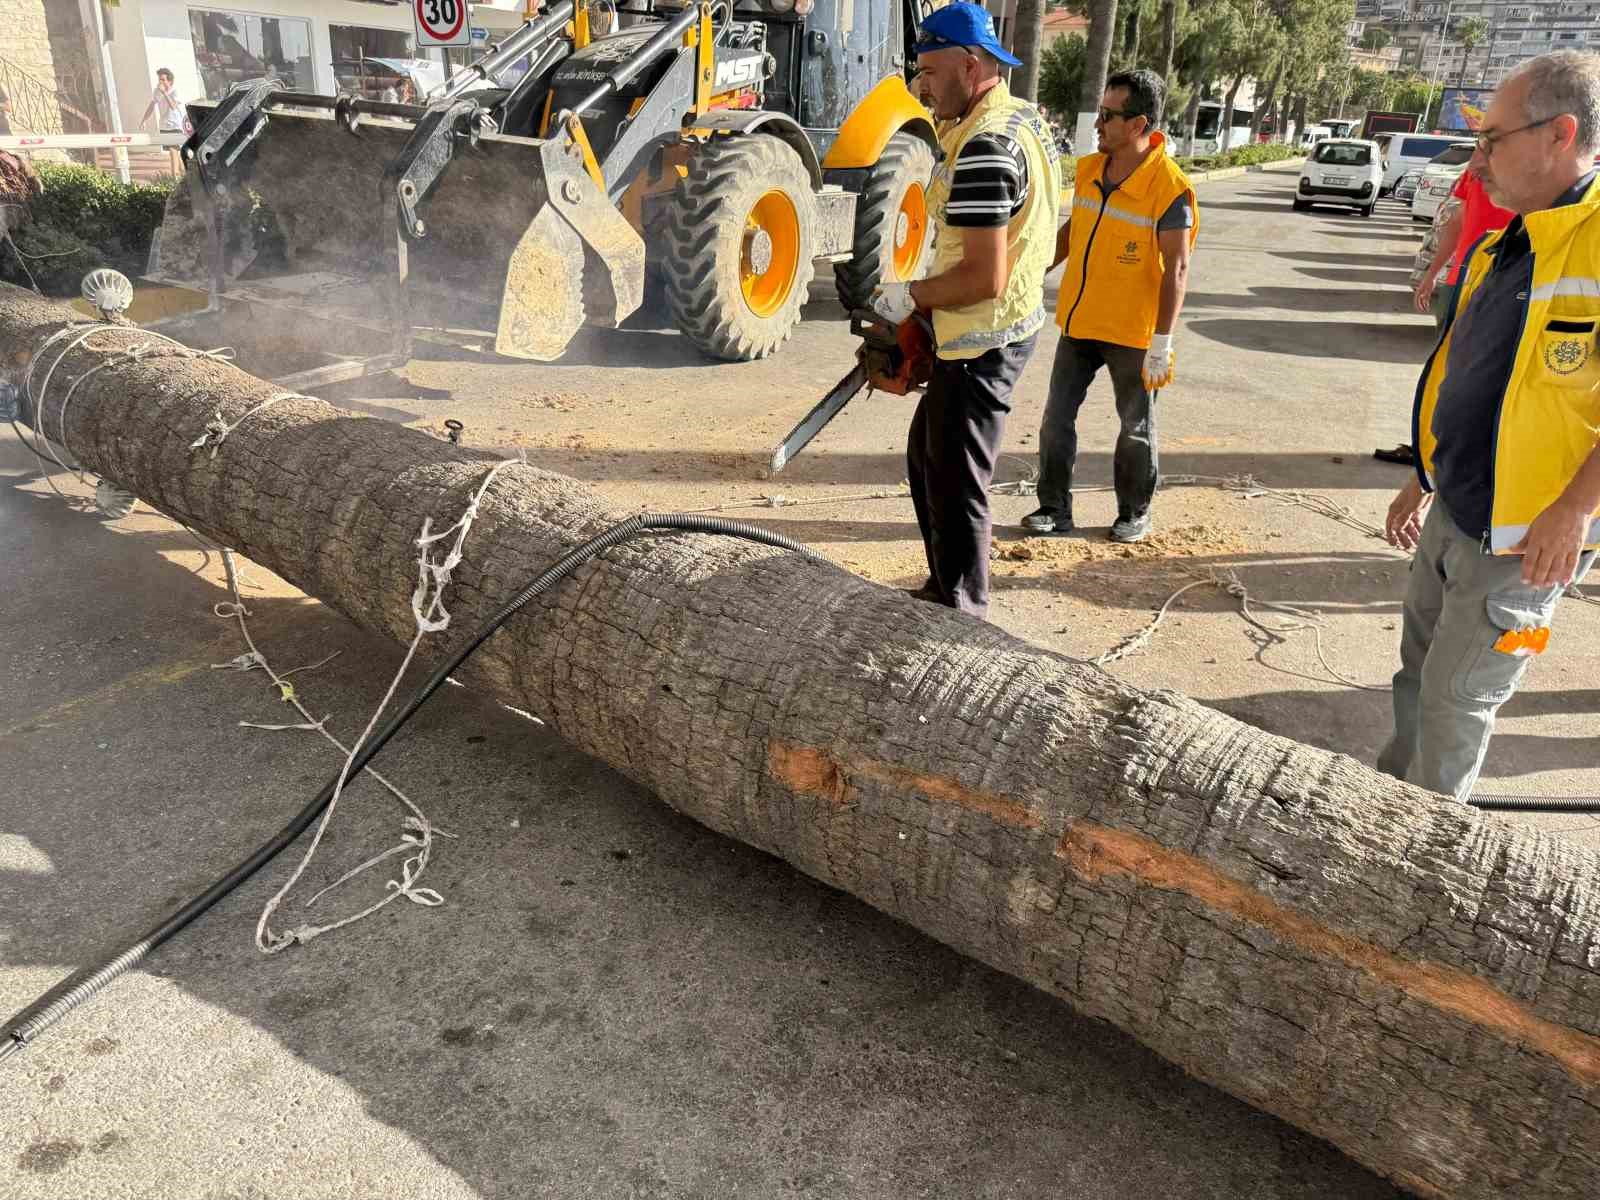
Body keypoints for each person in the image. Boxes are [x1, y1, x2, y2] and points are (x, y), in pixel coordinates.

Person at [1380, 50, 1600, 802]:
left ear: (1558, 135)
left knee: (1455, 704)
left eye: (1493, 140)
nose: (1477, 162)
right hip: (1456, 509)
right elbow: (1471, 375)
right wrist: (1424, 476)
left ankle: (1416, 863)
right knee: (1416, 679)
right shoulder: (1509, 239)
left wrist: (1574, 509)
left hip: (1525, 541)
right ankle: (1379, 812)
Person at [870, 2, 1062, 619]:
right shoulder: (1018, 119)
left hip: (985, 336)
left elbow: (984, 274)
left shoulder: (985, 146)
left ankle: (959, 611)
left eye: (928, 73)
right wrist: (928, 319)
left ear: (969, 62)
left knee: (954, 479)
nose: (921, 88)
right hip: (989, 325)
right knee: (928, 454)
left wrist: (911, 298)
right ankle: (945, 588)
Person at [1022, 69, 1197, 543]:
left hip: (1133, 334)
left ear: (1139, 125)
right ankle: (1054, 508)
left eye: (1108, 115)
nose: (1097, 123)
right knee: (1056, 418)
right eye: (1099, 113)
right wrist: (1030, 271)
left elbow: (1177, 268)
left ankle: (1134, 512)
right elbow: (1070, 233)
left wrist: (1162, 340)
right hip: (1080, 322)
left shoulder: (1170, 188)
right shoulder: (1088, 169)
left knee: (1135, 428)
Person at [140, 68, 187, 175]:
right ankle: (184, 172)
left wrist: (164, 93)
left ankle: (174, 175)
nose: (160, 82)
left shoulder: (175, 91)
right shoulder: (157, 91)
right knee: (174, 151)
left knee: (173, 150)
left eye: (162, 79)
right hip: (164, 126)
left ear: (169, 81)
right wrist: (144, 120)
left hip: (176, 125)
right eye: (159, 79)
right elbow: (151, 106)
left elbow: (173, 106)